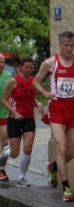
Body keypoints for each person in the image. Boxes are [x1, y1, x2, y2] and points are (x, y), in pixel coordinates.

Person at [33, 31, 74, 202]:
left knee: (72, 151)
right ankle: (67, 188)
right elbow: (35, 81)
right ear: (60, 45)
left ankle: (53, 167)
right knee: (61, 147)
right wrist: (45, 93)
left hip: (73, 108)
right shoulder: (50, 63)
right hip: (57, 108)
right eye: (66, 45)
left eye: (72, 45)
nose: (69, 48)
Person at [0, 58, 44, 186]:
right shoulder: (13, 81)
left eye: (31, 67)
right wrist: (14, 113)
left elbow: (31, 99)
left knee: (28, 149)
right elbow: (4, 99)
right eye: (27, 67)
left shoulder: (33, 82)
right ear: (21, 67)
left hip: (29, 119)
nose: (29, 70)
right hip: (15, 120)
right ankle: (3, 156)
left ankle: (21, 178)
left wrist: (38, 104)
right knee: (14, 153)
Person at [0, 54, 13, 181]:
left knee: (5, 143)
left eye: (3, 62)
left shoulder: (8, 76)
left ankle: (1, 169)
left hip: (4, 114)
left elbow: (13, 92)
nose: (1, 64)